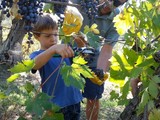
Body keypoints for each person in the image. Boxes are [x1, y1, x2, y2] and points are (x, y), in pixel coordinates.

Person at [70, 0, 128, 119]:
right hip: (68, 57)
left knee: (93, 97)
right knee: (68, 96)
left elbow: (107, 49)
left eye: (116, 3)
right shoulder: (84, 3)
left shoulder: (117, 20)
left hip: (92, 61)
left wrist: (100, 72)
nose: (110, 5)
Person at [29, 14, 83, 120]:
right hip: (55, 105)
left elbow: (80, 62)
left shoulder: (65, 51)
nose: (53, 39)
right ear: (37, 36)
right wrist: (53, 49)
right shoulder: (38, 55)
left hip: (74, 101)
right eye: (48, 36)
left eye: (55, 34)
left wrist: (82, 47)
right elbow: (34, 64)